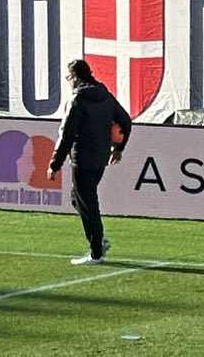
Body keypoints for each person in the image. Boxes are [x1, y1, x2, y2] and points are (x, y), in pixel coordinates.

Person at [49, 57, 133, 265]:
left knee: (88, 204)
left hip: (82, 158)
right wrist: (119, 148)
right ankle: (99, 240)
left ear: (74, 77)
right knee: (78, 199)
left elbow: (67, 134)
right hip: (101, 157)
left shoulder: (77, 100)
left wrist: (54, 164)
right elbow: (125, 120)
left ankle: (96, 251)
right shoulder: (104, 95)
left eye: (69, 77)